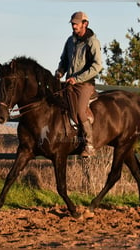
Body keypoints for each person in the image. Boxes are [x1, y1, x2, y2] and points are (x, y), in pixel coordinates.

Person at [55, 11, 102, 157]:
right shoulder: (70, 41)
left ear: (85, 24)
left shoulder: (92, 42)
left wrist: (78, 78)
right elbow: (64, 60)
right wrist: (60, 72)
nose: (74, 26)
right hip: (70, 82)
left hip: (85, 84)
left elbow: (97, 66)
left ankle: (89, 145)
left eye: (76, 23)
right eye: (73, 23)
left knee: (80, 111)